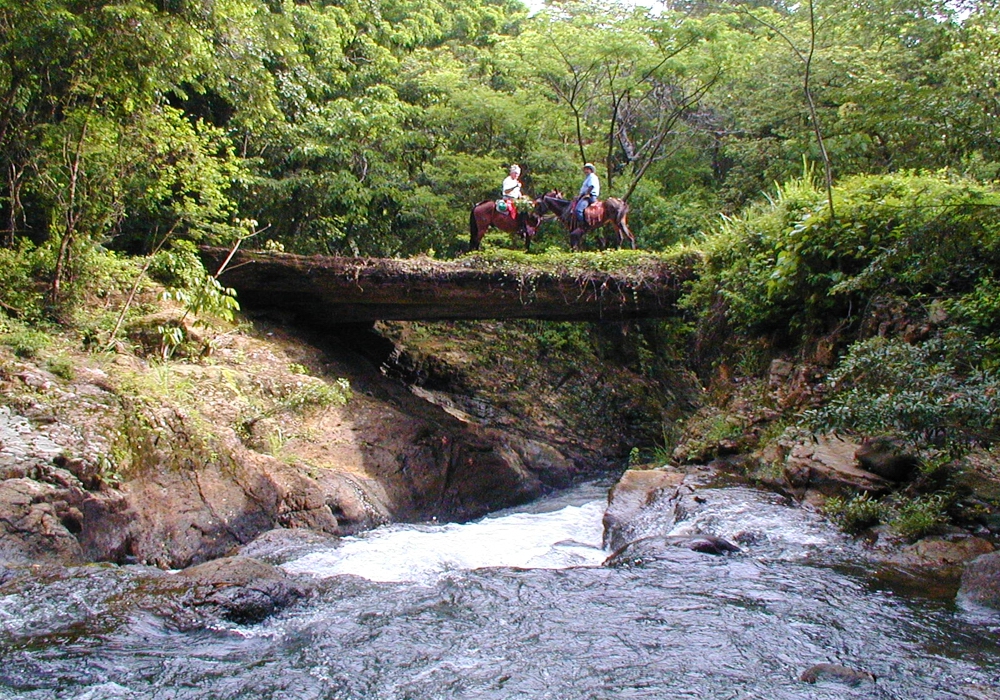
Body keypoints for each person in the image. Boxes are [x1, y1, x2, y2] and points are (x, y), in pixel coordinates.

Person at [575, 163, 599, 227]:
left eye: (587, 169)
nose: (586, 171)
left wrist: (587, 194)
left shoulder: (592, 176)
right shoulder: (588, 178)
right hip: (586, 195)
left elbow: (591, 186)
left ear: (591, 170)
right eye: (585, 169)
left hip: (590, 196)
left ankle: (583, 226)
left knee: (578, 210)